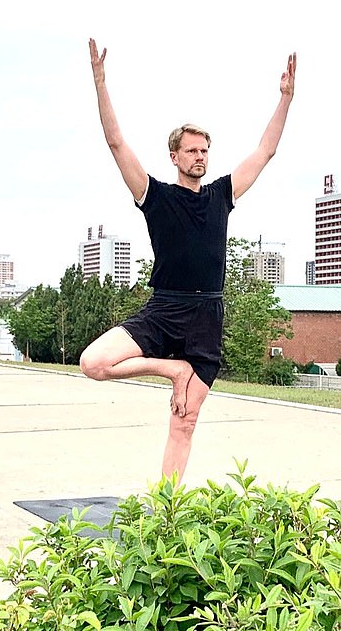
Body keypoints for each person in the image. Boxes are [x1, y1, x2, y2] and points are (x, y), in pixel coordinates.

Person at [80, 39, 296, 482]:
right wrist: (101, 83)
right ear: (174, 156)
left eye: (204, 151)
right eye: (192, 150)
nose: (200, 157)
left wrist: (285, 99)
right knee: (93, 362)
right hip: (163, 310)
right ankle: (171, 369)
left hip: (205, 318)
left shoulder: (221, 195)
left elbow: (265, 151)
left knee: (185, 422)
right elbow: (116, 143)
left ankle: (167, 512)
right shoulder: (154, 196)